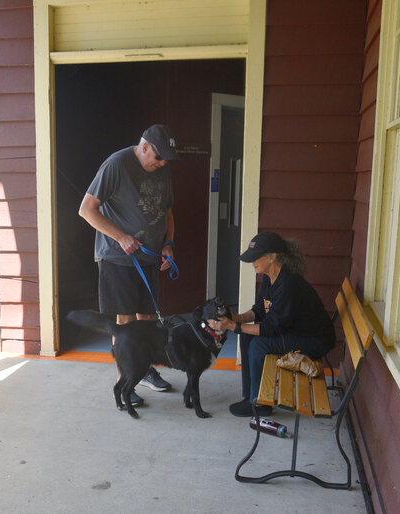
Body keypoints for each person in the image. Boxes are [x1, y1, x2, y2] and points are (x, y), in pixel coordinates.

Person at [78, 124, 180, 406]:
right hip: (117, 258)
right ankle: (125, 381)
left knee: (147, 319)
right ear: (145, 146)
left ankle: (145, 370)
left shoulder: (163, 168)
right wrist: (121, 237)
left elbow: (167, 211)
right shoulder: (116, 164)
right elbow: (86, 209)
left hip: (148, 257)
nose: (162, 163)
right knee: (124, 322)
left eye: (166, 160)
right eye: (158, 157)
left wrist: (169, 244)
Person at [207, 232, 335, 417]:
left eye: (255, 258)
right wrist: (236, 318)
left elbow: (270, 329)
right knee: (247, 336)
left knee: (260, 343)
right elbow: (259, 310)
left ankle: (260, 404)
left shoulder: (289, 284)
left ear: (272, 256)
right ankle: (250, 396)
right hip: (293, 332)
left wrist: (231, 326)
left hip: (313, 340)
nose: (252, 262)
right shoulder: (270, 277)